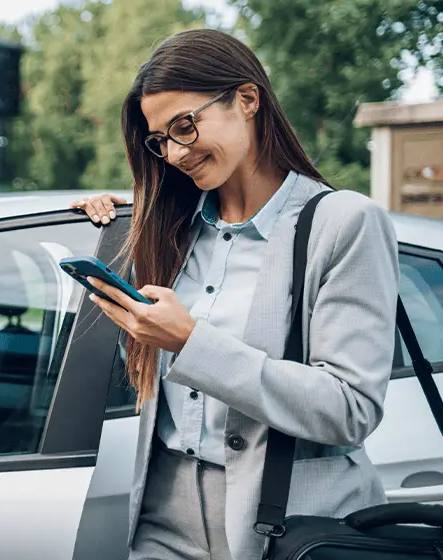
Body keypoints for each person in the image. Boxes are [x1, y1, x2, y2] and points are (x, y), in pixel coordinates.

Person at [70, 29, 399, 560]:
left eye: (184, 126)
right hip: (163, 516)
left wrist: (191, 342)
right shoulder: (170, 227)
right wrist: (117, 219)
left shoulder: (343, 224)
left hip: (290, 527)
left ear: (247, 100)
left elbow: (350, 407)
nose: (174, 153)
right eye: (161, 140)